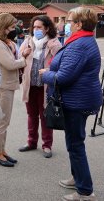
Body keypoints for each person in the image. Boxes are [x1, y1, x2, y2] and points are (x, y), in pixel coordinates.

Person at [41, 7, 102, 201]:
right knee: (74, 143)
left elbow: (64, 77)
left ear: (79, 24)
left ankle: (85, 191)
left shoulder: (79, 44)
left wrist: (46, 74)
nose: (66, 24)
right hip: (78, 99)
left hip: (77, 101)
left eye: (69, 20)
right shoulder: (83, 40)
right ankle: (78, 178)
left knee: (75, 145)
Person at [18, 15, 62, 158]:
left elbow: (61, 64)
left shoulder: (54, 44)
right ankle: (31, 142)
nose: (36, 30)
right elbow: (19, 60)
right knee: (31, 115)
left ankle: (47, 145)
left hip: (46, 86)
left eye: (39, 27)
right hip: (30, 85)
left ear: (47, 28)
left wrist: (49, 70)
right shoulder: (27, 42)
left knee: (45, 116)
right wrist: (23, 54)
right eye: (34, 27)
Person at [0, 13, 29, 167]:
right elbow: (10, 64)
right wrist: (24, 60)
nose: (15, 29)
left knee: (4, 122)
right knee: (2, 122)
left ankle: (1, 150)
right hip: (3, 86)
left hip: (6, 85)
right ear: (4, 26)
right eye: (12, 26)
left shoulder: (2, 41)